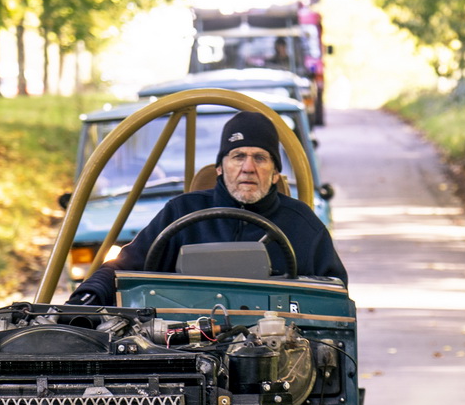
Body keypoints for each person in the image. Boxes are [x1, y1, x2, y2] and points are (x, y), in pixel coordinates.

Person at [68, 110, 346, 305]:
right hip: (184, 349)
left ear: (275, 173)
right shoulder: (181, 213)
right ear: (219, 169)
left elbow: (335, 293)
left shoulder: (303, 225)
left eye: (260, 158)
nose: (248, 168)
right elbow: (125, 266)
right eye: (238, 156)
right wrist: (89, 293)